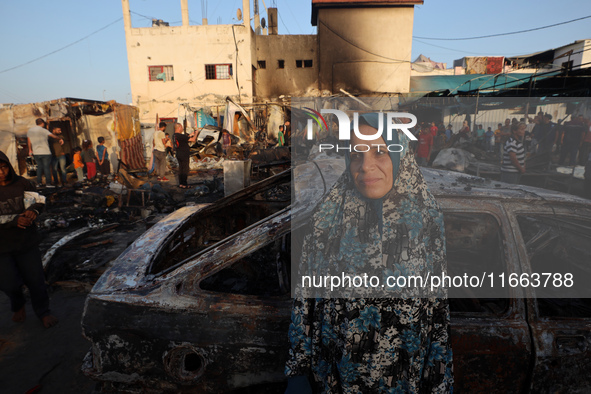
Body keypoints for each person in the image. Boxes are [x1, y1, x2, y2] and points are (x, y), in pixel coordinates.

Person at [285, 113, 453, 393]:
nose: (365, 166)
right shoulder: (327, 219)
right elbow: (306, 301)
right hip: (336, 381)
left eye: (380, 152)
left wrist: (438, 382)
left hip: (402, 382)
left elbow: (437, 310)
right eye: (356, 155)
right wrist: (298, 371)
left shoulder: (425, 219)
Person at [0, 151, 58, 328]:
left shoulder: (22, 183)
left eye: (3, 167)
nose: (1, 172)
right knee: (8, 283)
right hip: (2, 246)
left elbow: (39, 200)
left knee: (36, 280)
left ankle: (43, 312)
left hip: (27, 242)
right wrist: (14, 221)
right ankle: (18, 305)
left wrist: (34, 210)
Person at [27, 118, 63, 187]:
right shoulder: (44, 130)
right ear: (42, 123)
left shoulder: (30, 131)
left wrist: (30, 150)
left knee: (39, 167)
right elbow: (53, 136)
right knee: (46, 168)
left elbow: (29, 141)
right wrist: (60, 138)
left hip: (36, 152)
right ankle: (48, 183)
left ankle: (39, 183)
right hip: (45, 152)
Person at [173, 123, 197, 189]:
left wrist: (191, 134)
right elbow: (193, 140)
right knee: (185, 169)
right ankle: (184, 184)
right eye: (182, 127)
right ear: (179, 127)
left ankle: (181, 183)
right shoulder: (180, 135)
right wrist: (196, 134)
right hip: (184, 154)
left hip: (178, 154)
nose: (182, 129)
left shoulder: (174, 135)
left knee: (181, 169)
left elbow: (184, 139)